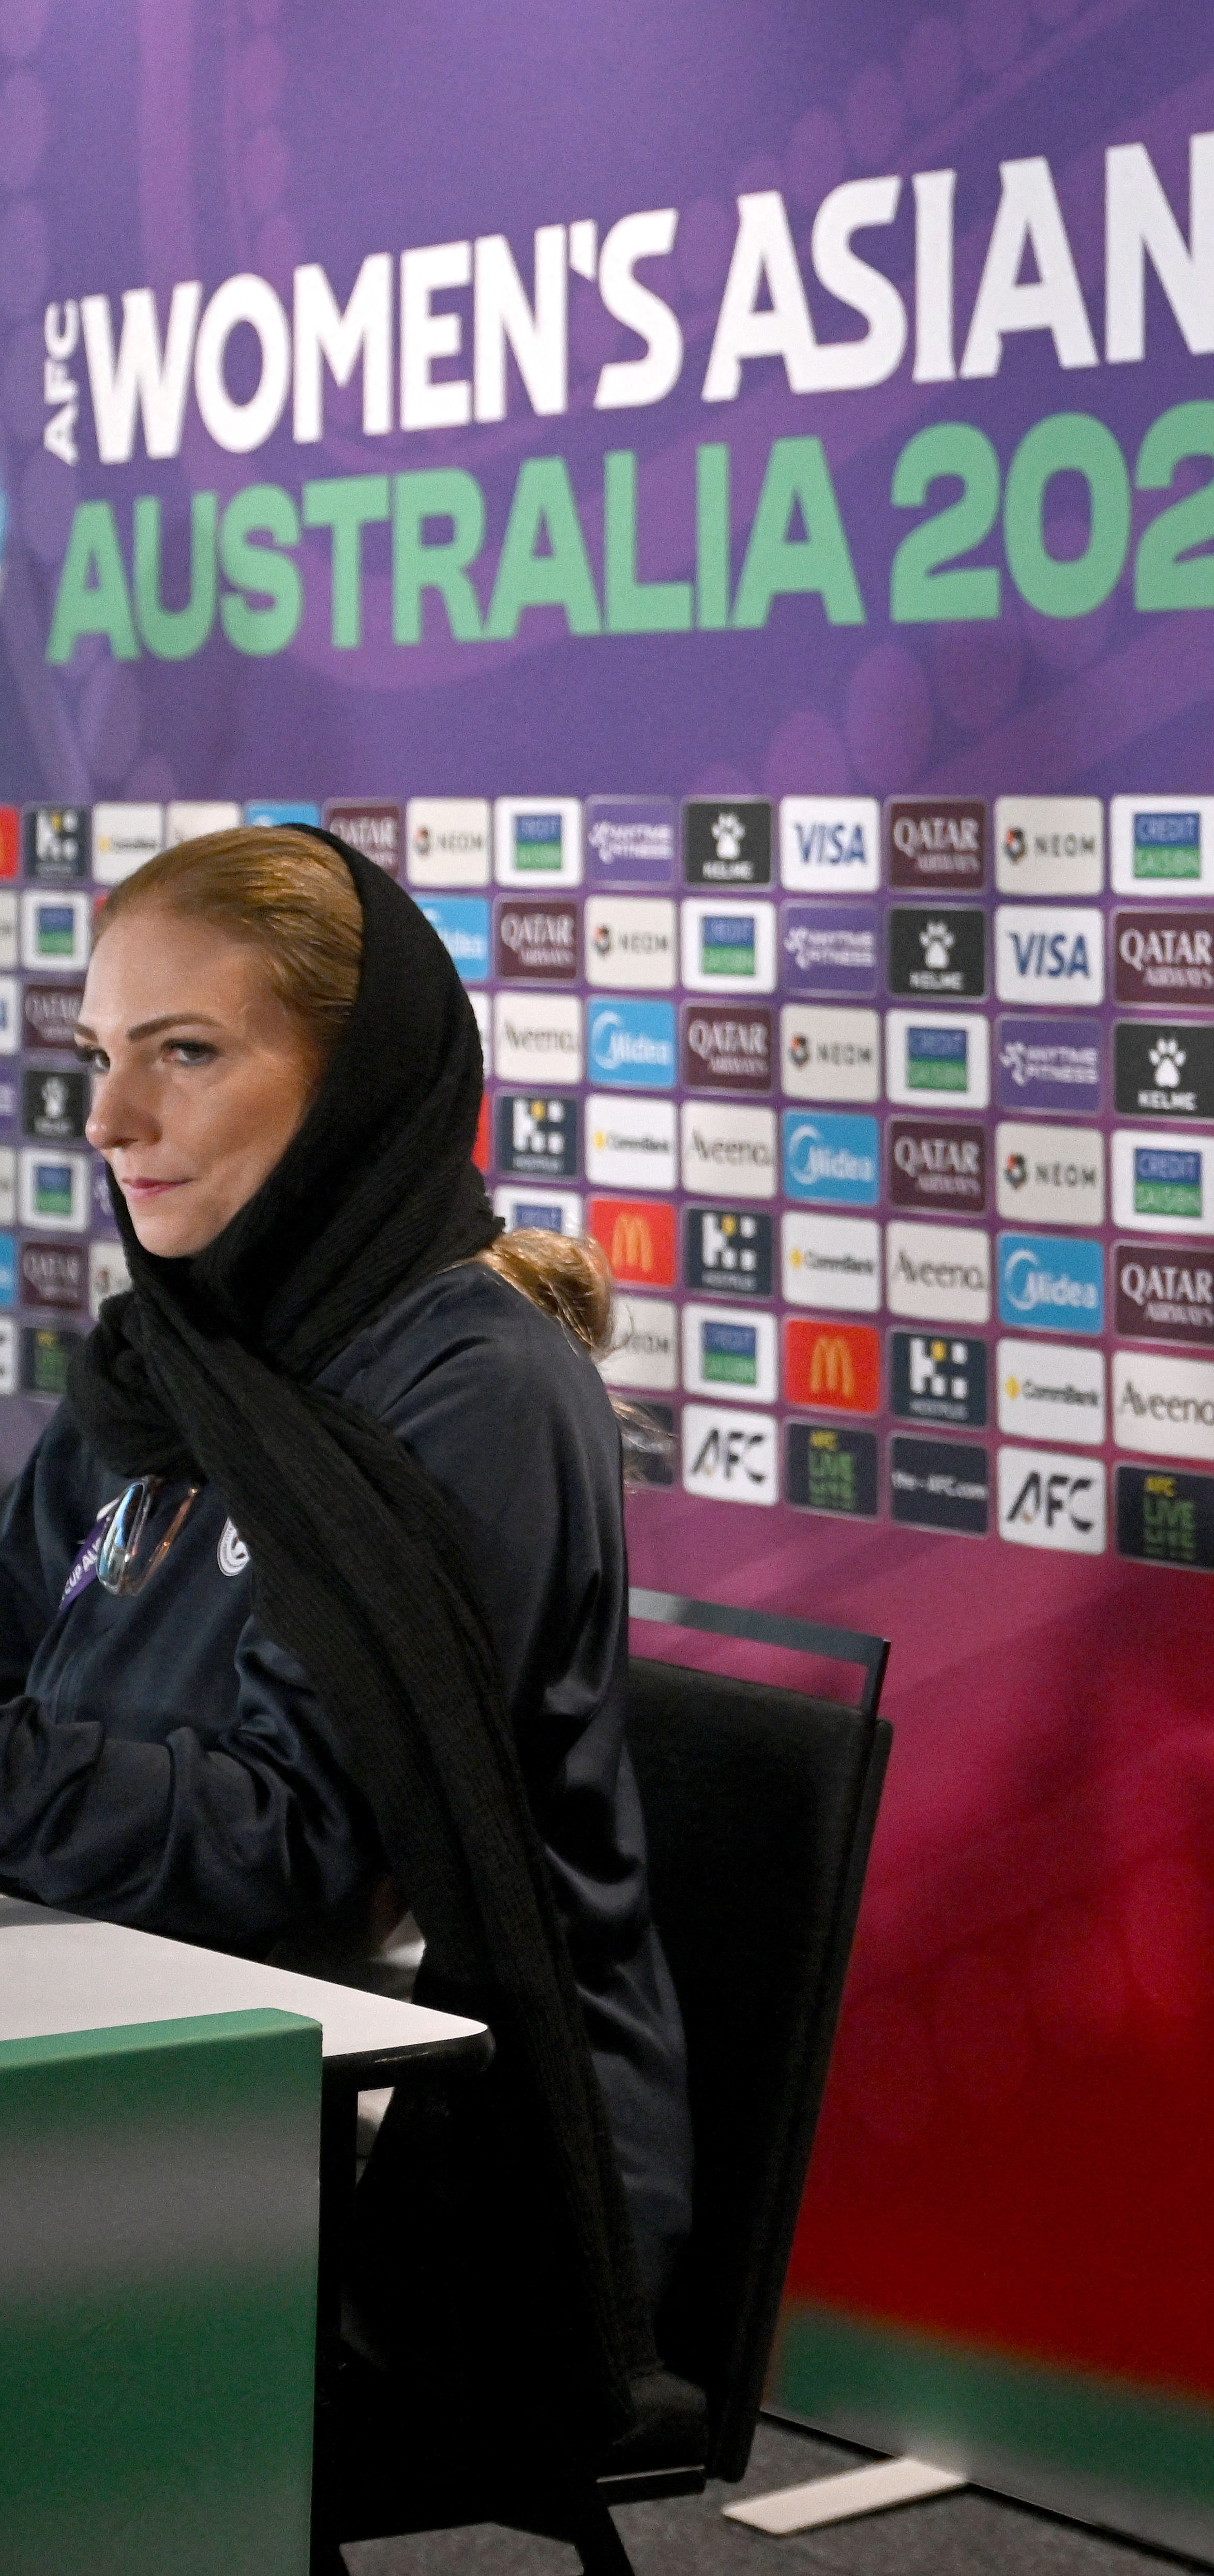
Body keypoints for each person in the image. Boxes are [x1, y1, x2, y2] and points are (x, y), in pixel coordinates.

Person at [0, 822, 690, 2451]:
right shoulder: (169, 1356)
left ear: (352, 1084)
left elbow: (291, 1847)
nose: (110, 1121)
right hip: (141, 2043)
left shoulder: (477, 1393)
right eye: (102, 1056)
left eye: (188, 1054)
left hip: (406, 2147)